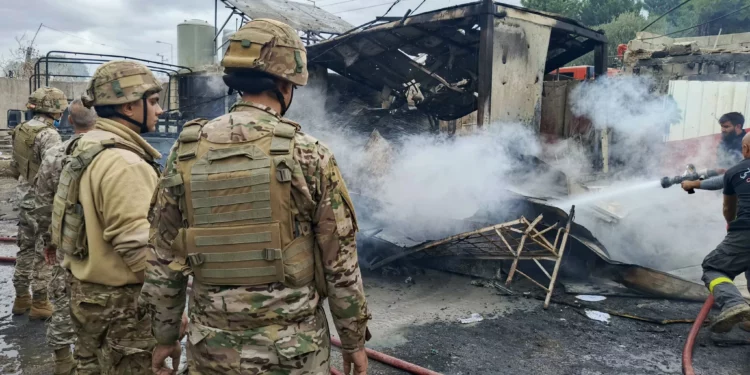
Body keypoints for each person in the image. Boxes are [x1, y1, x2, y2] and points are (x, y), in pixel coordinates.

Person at [142, 19, 371, 375]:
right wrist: (354, 342)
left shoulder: (185, 151)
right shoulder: (308, 153)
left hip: (211, 351)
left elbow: (162, 257)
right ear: (284, 84)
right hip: (295, 352)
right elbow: (339, 263)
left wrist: (165, 336)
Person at [49, 60, 163, 374]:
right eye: (152, 102)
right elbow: (136, 246)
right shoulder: (125, 163)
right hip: (122, 308)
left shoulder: (85, 145)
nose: (160, 111)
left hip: (87, 296)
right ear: (129, 107)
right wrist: (168, 310)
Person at [33, 99, 97, 374]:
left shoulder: (54, 154)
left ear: (69, 121)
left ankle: (62, 361)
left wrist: (49, 241)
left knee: (62, 301)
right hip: (101, 243)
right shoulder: (110, 152)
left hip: (66, 242)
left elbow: (43, 203)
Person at [10, 87, 67, 318]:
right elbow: (54, 173)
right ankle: (41, 304)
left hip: (24, 197)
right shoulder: (50, 135)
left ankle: (22, 298)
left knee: (24, 249)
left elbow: (16, 166)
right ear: (53, 108)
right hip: (42, 202)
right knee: (45, 252)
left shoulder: (21, 130)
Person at [701, 132, 750, 332]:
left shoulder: (736, 171)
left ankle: (732, 303)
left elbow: (729, 210)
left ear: (745, 149)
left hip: (746, 230)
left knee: (713, 267)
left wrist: (732, 226)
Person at [681, 112, 745, 192]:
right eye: (722, 126)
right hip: (721, 186)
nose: (722, 130)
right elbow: (719, 165)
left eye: (726, 127)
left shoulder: (746, 143)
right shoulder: (724, 142)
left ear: (738, 126)